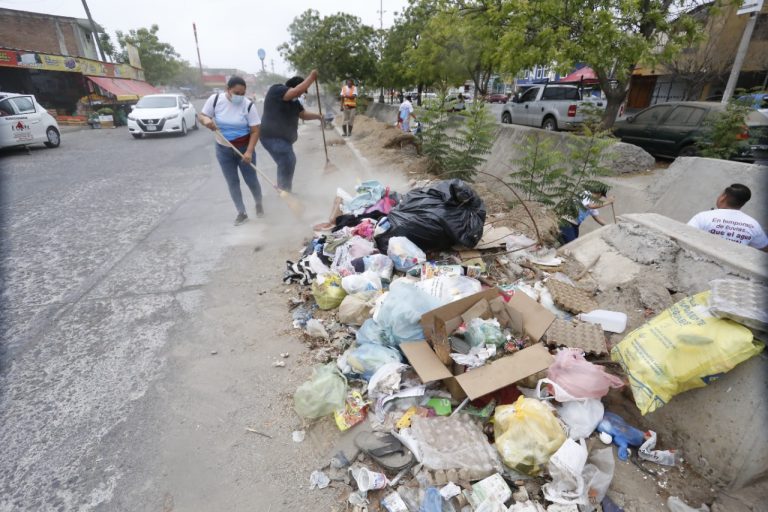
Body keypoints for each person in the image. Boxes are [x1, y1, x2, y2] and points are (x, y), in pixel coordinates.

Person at [199, 76, 262, 226]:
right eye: (236, 93)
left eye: (242, 93)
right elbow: (202, 115)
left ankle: (259, 204)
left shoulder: (248, 105)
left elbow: (255, 131)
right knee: (232, 182)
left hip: (244, 148)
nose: (239, 96)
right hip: (223, 149)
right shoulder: (215, 100)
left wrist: (249, 151)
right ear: (227, 90)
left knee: (251, 180)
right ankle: (241, 212)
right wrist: (206, 120)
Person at [259, 70, 323, 193]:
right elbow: (296, 92)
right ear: (295, 86)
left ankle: (285, 191)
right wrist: (311, 77)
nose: (300, 95)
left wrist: (318, 116)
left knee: (287, 162)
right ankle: (285, 191)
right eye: (301, 92)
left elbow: (303, 114)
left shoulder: (294, 102)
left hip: (283, 139)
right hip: (272, 136)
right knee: (287, 159)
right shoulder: (276, 90)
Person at [687, 183, 768, 251]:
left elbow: (685, 236)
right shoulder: (753, 224)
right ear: (743, 203)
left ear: (723, 197)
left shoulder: (703, 217)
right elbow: (764, 248)